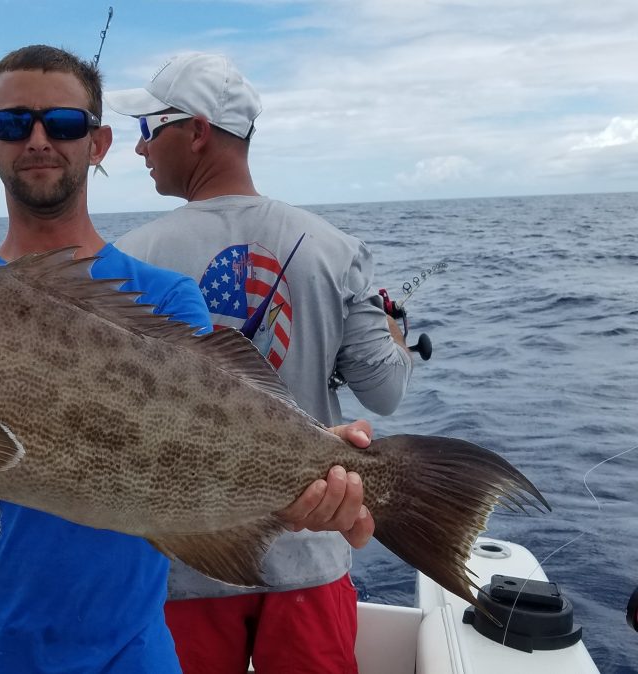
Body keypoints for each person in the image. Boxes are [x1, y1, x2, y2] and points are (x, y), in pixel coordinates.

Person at [0, 45, 376, 674]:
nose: (37, 140)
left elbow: (209, 429)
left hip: (127, 653)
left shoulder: (164, 297)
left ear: (99, 142)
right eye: (12, 124)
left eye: (62, 124)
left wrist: (315, 463)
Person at [106, 52, 415, 674]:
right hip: (312, 556)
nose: (140, 150)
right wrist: (395, 331)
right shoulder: (336, 248)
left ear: (195, 131)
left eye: (149, 130)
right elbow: (384, 393)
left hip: (189, 562)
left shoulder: (126, 260)